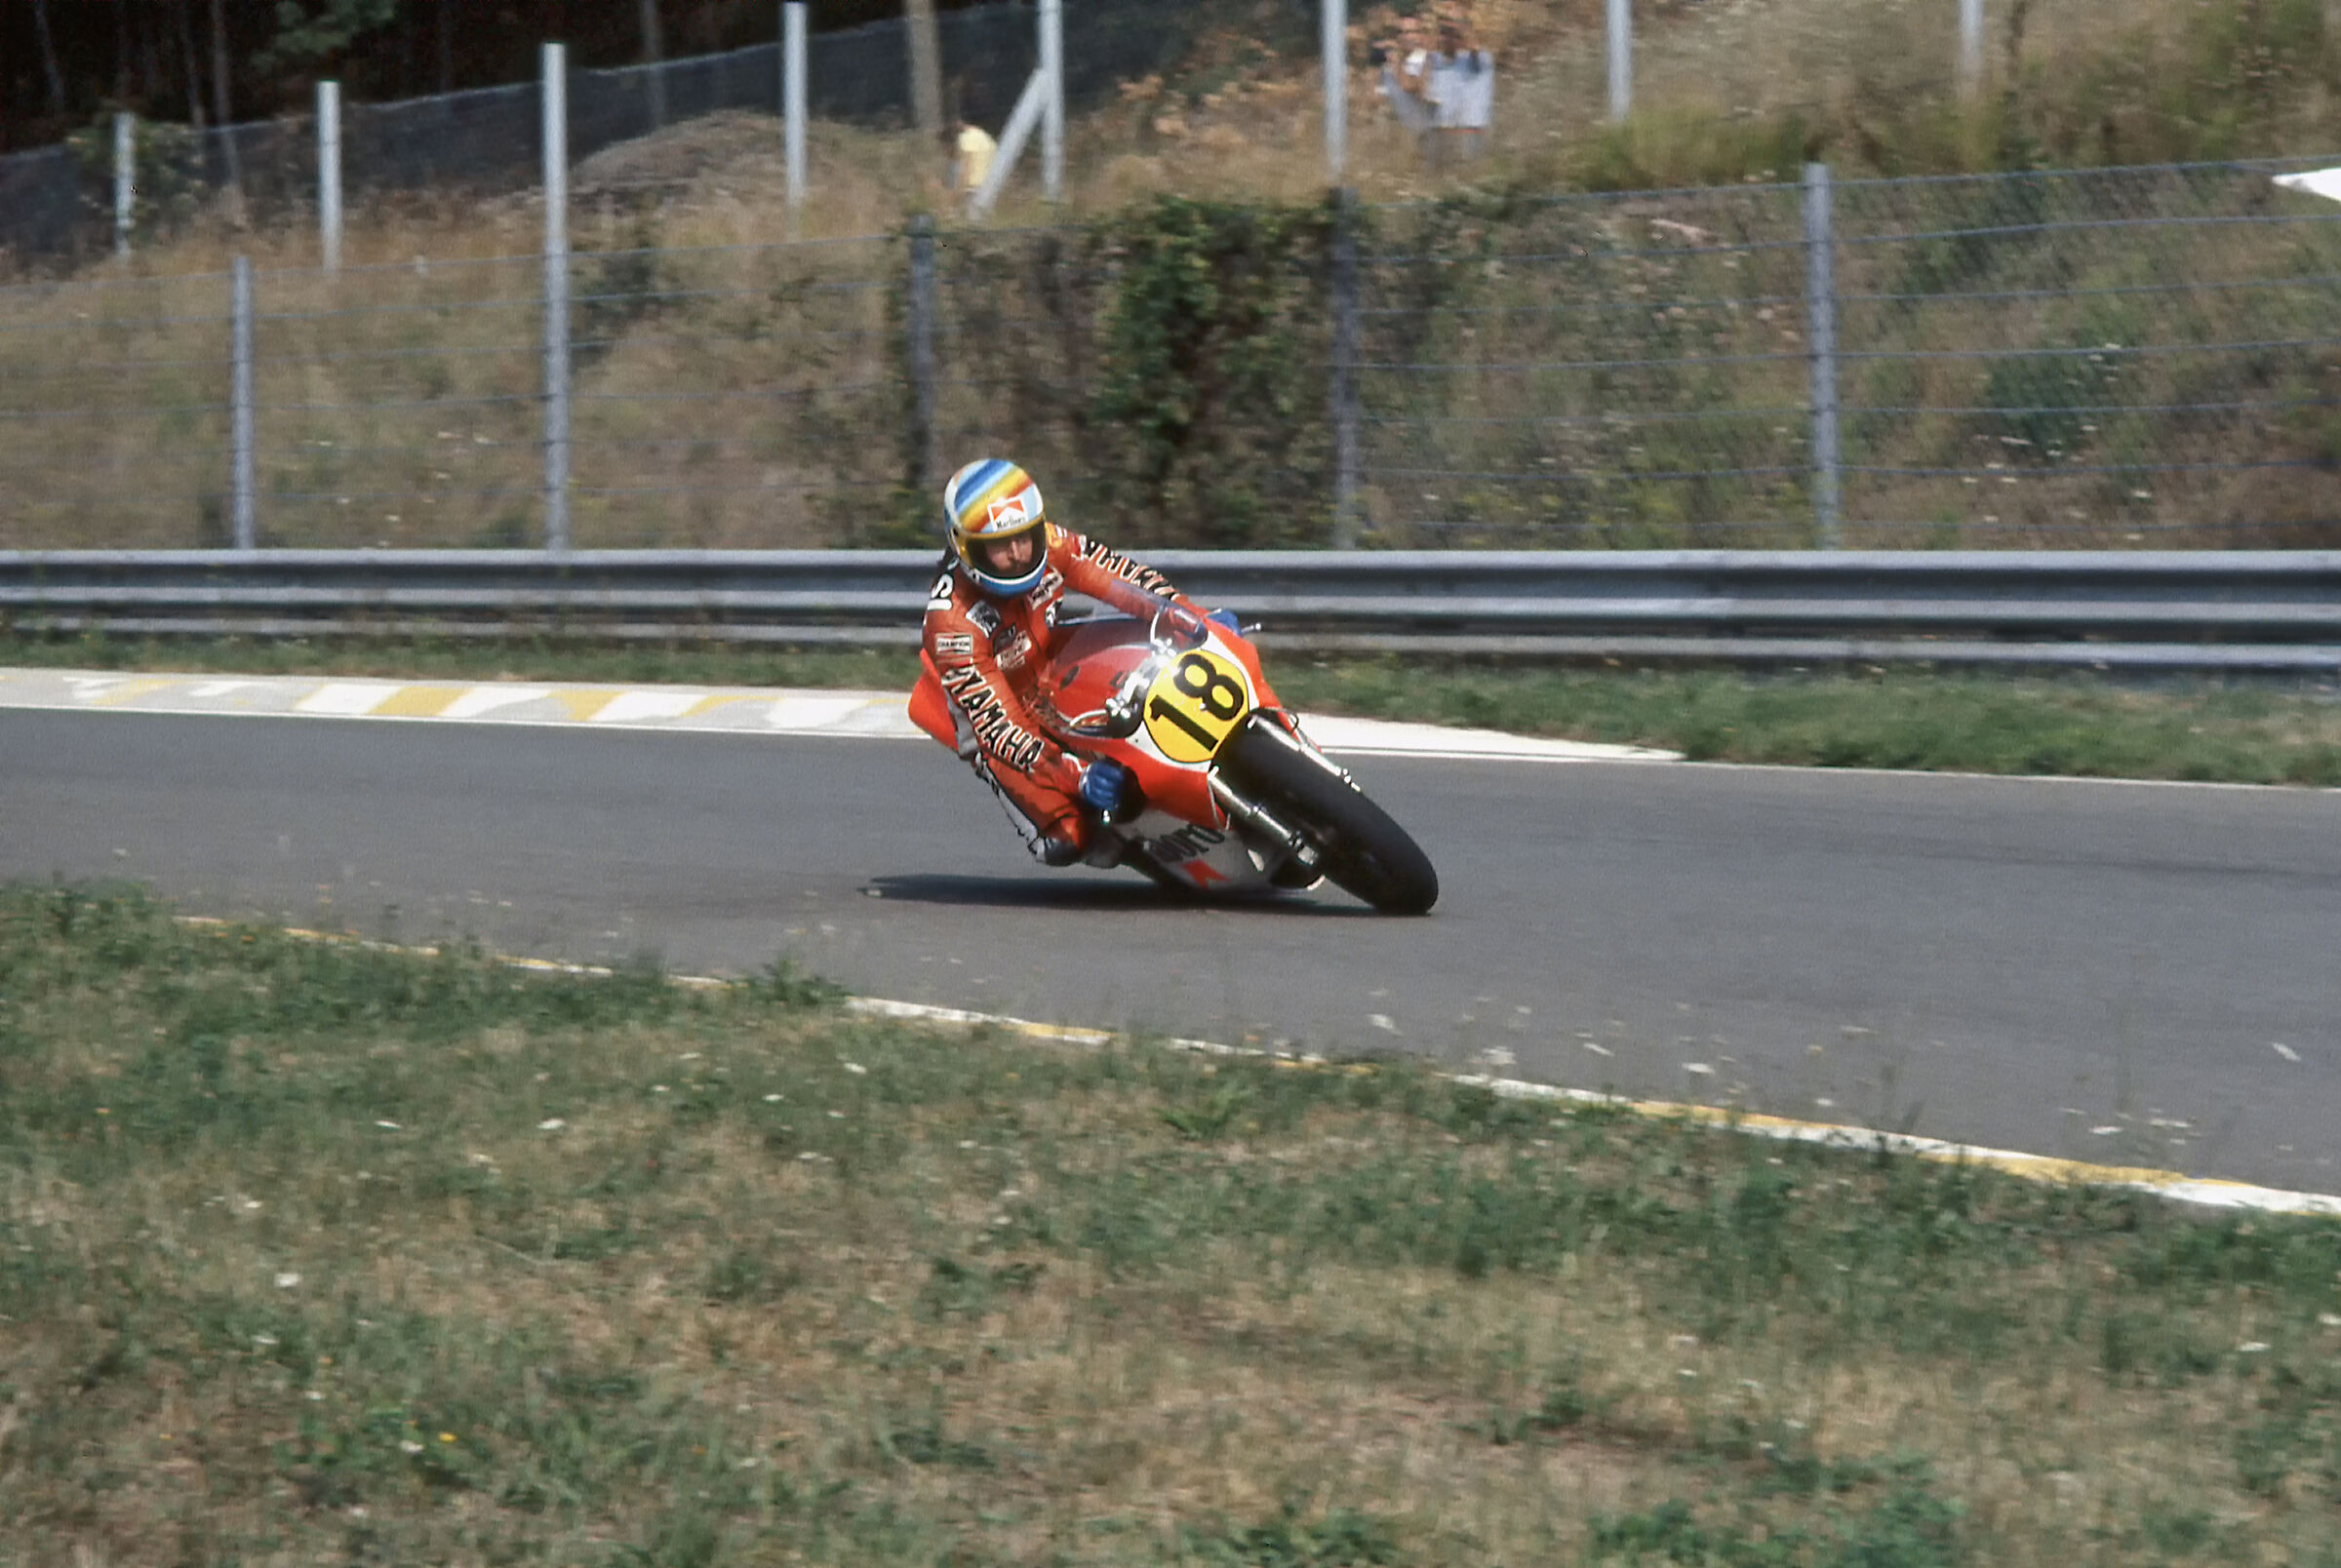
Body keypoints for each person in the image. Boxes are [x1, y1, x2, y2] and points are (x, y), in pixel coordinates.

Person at [916, 458, 1213, 868]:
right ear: (965, 548)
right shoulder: (952, 623)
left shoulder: (1051, 543)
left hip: (1051, 665)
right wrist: (1077, 775)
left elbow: (1119, 577)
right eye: (999, 545)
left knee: (1165, 654)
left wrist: (1190, 615)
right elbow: (999, 727)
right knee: (1069, 841)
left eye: (1024, 536)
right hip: (998, 723)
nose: (1019, 554)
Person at [1428, 14, 1494, 166]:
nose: (1448, 38)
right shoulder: (1432, 61)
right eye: (1443, 33)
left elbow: (1475, 50)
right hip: (1441, 132)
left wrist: (1460, 26)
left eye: (1453, 34)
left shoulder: (1477, 59)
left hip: (1469, 133)